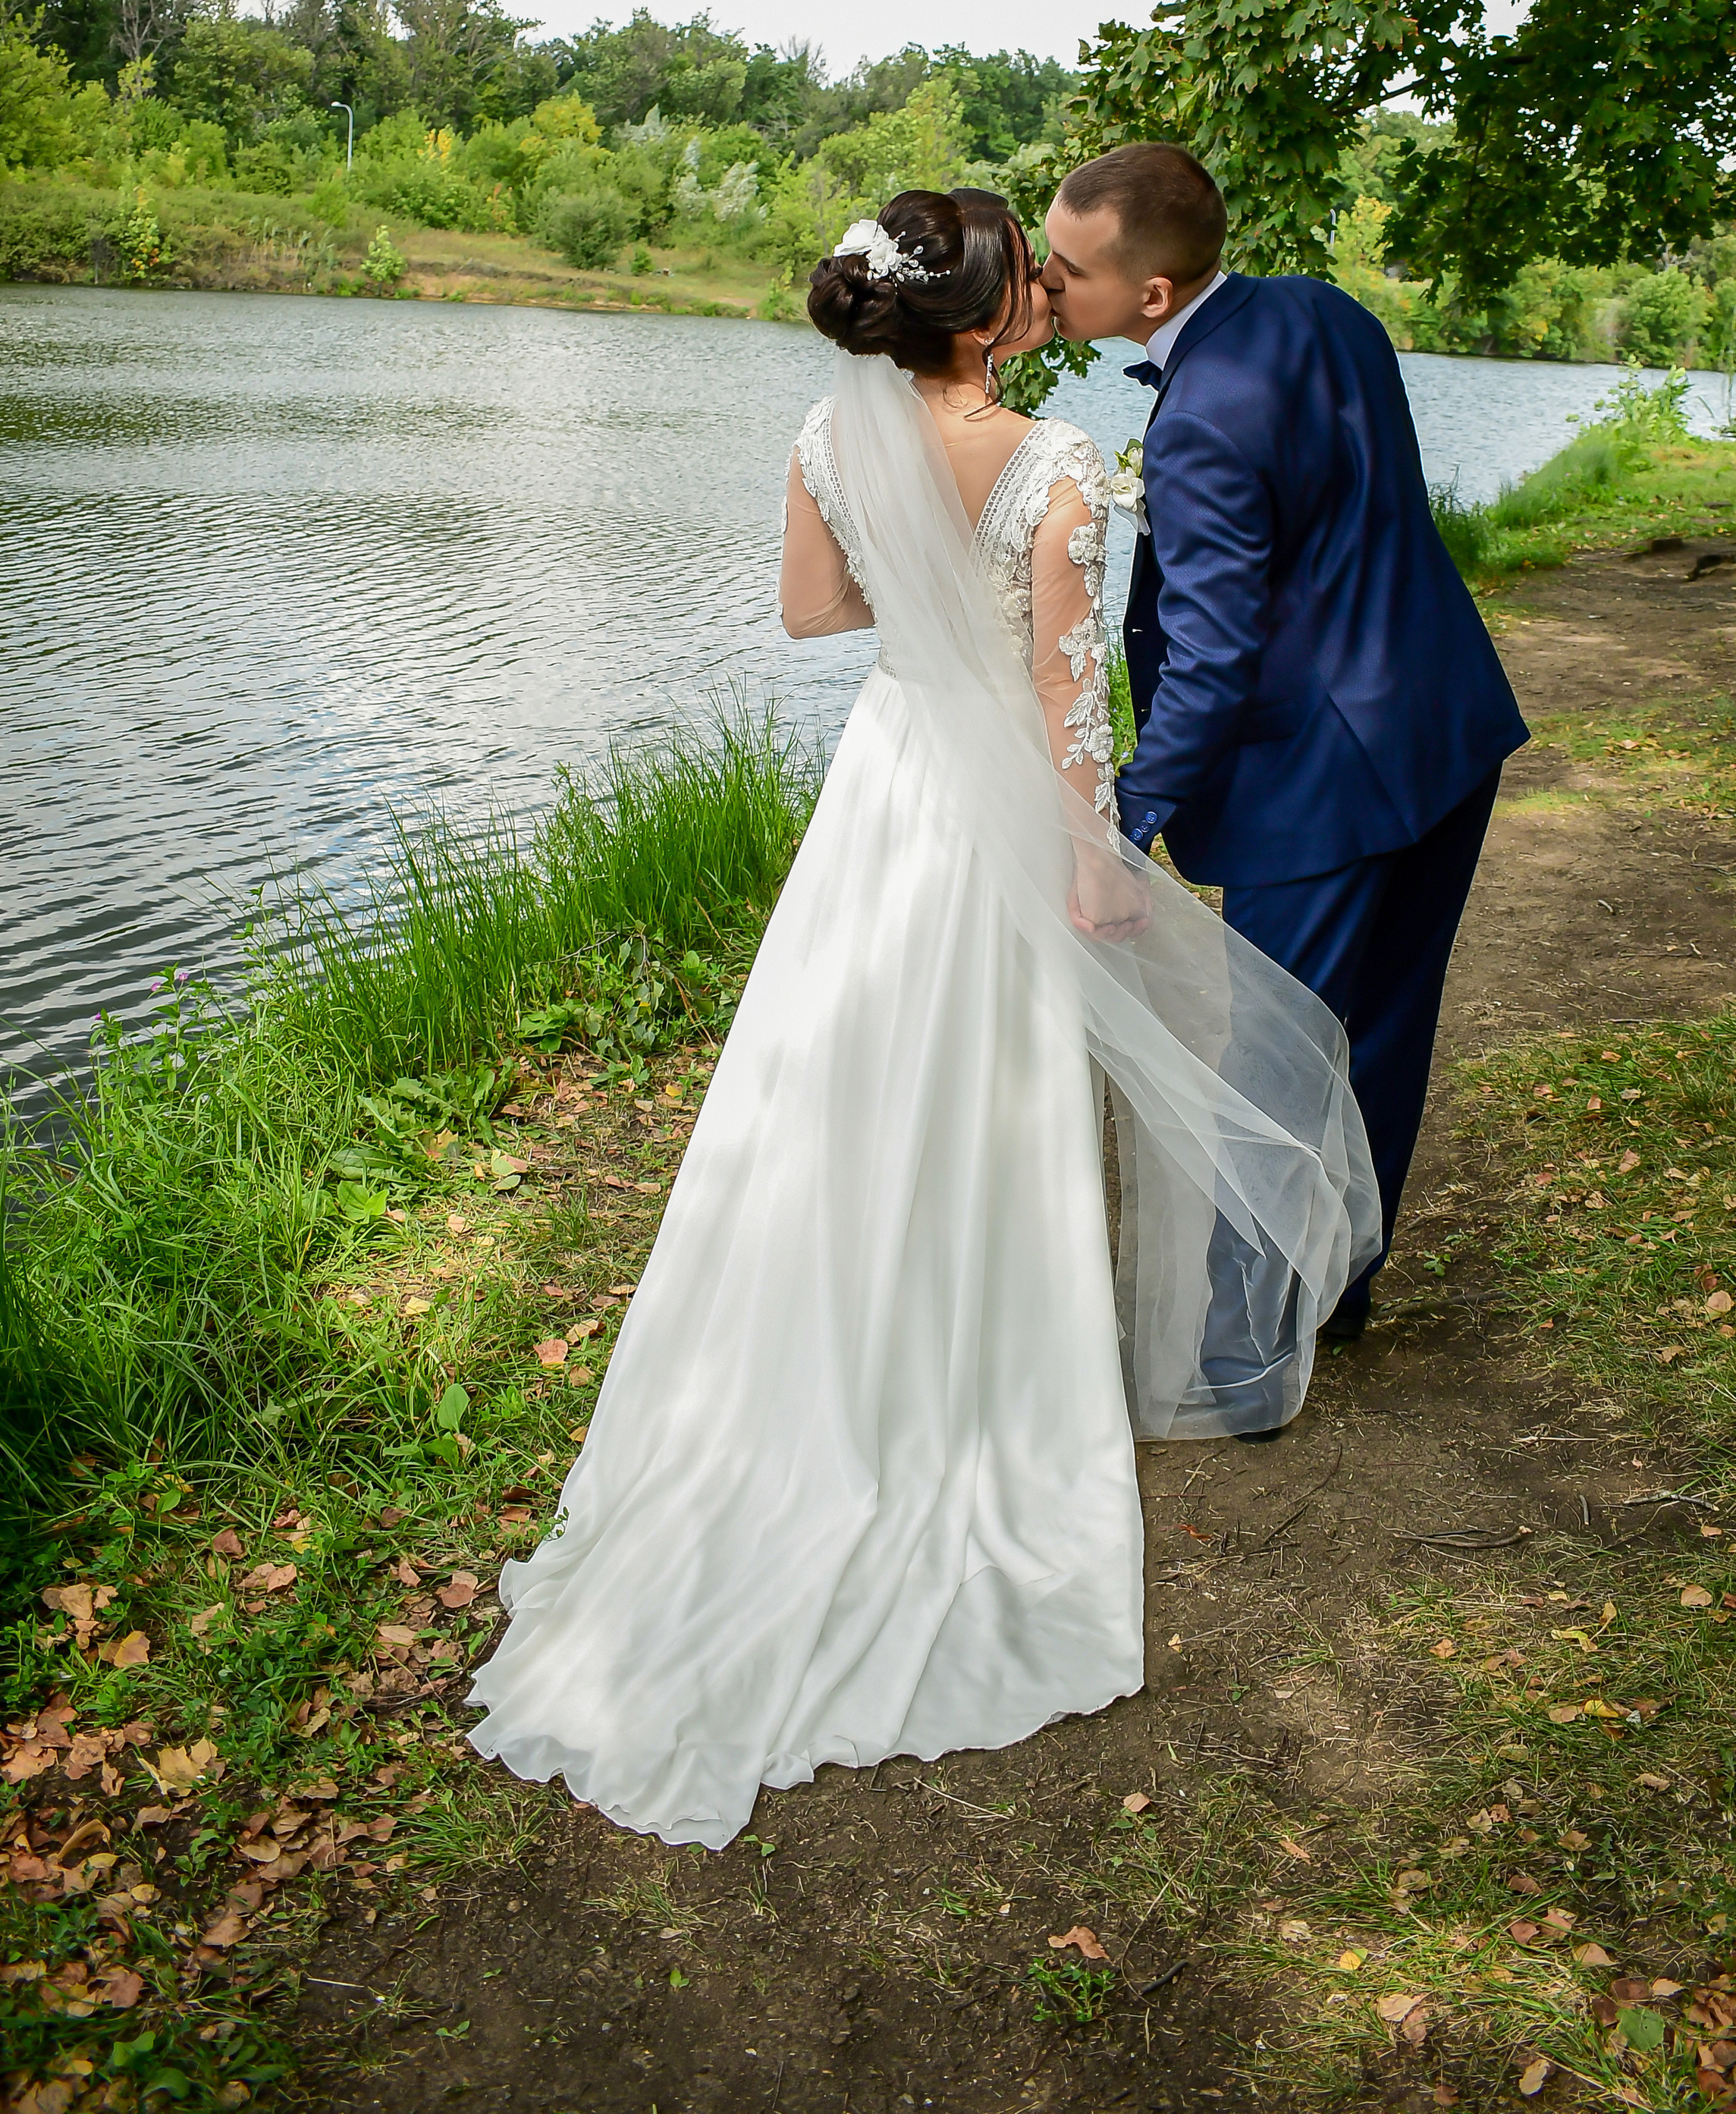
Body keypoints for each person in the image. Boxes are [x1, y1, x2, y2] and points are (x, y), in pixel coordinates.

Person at [466, 187, 1379, 1846]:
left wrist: (921, 585)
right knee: (981, 1084)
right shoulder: (1063, 468)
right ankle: (969, 1390)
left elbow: (813, 616)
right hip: (995, 799)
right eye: (1030, 271)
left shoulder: (832, 432)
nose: (1047, 284)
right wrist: (1092, 857)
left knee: (827, 1076)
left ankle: (808, 1373)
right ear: (986, 313)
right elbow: (1064, 688)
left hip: (883, 788)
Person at [1041, 144, 1527, 1370]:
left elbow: (1209, 660)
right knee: (1387, 1030)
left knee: (1271, 1061)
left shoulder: (1200, 416)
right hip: (1444, 722)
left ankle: (1248, 1341)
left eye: (1068, 268)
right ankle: (1337, 1294)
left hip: (1319, 777)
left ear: (1151, 296)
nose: (1048, 286)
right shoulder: (1323, 307)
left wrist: (1121, 820)